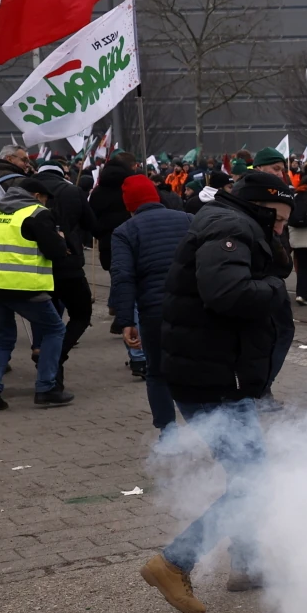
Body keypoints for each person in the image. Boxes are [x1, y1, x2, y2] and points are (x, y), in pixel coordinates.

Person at [141, 172, 297, 613]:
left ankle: (247, 564)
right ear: (262, 206)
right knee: (254, 481)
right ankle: (175, 562)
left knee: (247, 475)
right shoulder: (230, 227)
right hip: (214, 378)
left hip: (215, 372)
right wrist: (276, 287)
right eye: (279, 219)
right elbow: (228, 292)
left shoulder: (236, 224)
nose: (281, 227)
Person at [0, 178, 75, 412]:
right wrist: (60, 241)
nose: (46, 203)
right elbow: (55, 251)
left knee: (3, 339)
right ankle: (46, 388)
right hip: (24, 286)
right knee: (54, 330)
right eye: (45, 199)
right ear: (37, 196)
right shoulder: (37, 213)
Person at [108, 174, 192, 432]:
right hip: (193, 309)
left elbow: (122, 277)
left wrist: (126, 321)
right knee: (195, 368)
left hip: (155, 313)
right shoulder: (188, 219)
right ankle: (207, 426)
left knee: (157, 372)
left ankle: (168, 433)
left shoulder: (124, 231)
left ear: (129, 206)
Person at [33, 160, 99, 389]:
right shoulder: (73, 191)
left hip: (35, 265)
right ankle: (56, 358)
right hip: (68, 264)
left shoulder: (24, 191)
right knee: (81, 314)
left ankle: (49, 372)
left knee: (47, 319)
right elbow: (92, 225)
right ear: (63, 174)